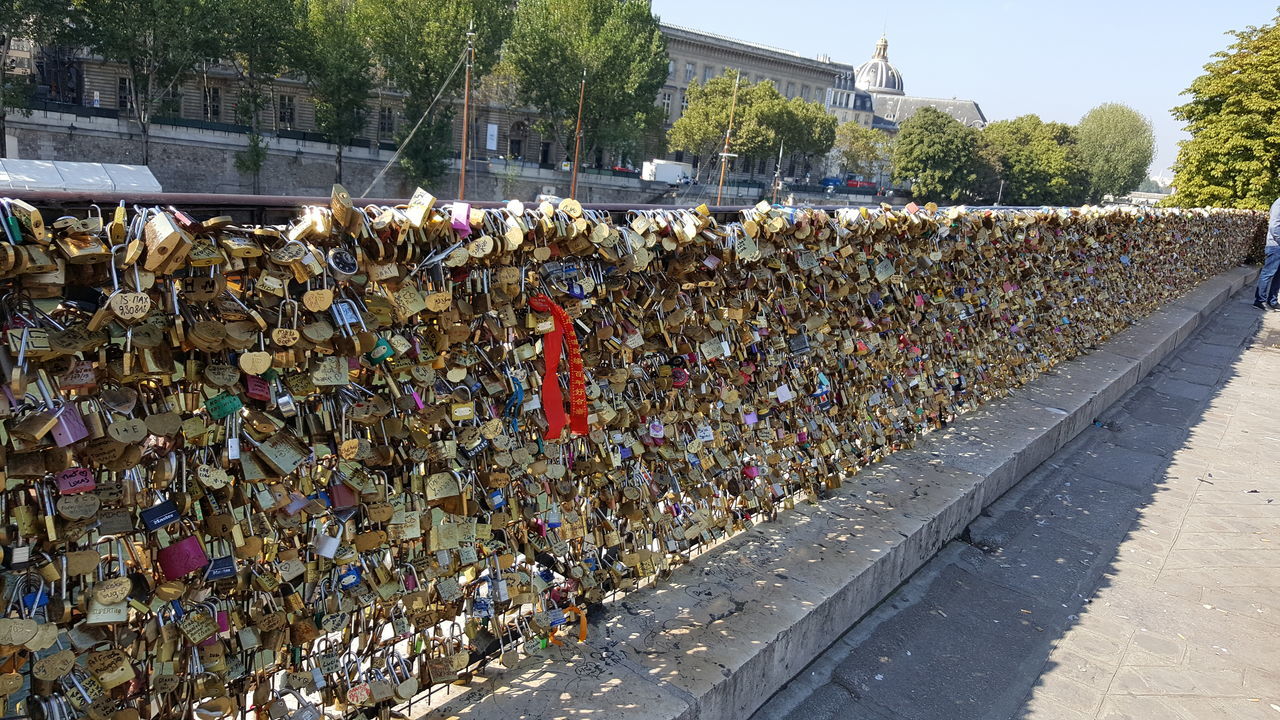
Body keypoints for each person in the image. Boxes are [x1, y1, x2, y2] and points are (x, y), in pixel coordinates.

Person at [1254, 196, 1280, 309]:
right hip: (1275, 245)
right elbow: (1274, 226)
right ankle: (1260, 301)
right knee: (1268, 273)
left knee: (1279, 275)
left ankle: (1272, 301)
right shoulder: (1278, 204)